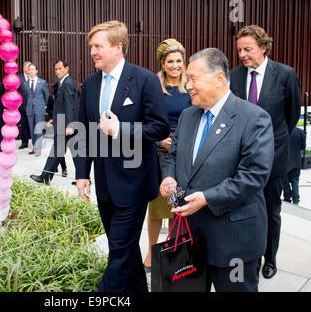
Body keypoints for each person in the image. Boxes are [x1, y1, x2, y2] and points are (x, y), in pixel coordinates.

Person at [160, 48, 274, 292]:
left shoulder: (254, 118)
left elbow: (253, 176)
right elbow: (173, 156)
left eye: (193, 78)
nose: (187, 84)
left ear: (219, 78)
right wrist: (168, 177)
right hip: (187, 236)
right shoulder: (187, 116)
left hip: (233, 241)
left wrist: (207, 198)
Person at [75, 21, 170, 292]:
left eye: (98, 46)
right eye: (91, 47)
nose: (92, 51)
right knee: (125, 250)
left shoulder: (144, 80)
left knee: (118, 251)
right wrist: (82, 174)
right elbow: (84, 132)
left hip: (135, 183)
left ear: (118, 47)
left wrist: (121, 130)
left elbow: (160, 127)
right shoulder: (91, 84)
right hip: (105, 185)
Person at [230, 25, 301, 279]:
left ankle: (269, 259)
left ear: (263, 47)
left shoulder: (284, 74)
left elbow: (292, 115)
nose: (243, 55)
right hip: (240, 159)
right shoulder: (234, 76)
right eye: (239, 50)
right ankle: (247, 255)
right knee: (242, 209)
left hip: (274, 157)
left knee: (271, 210)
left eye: (248, 49)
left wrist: (273, 141)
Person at [143, 38, 191, 271]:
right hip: (159, 153)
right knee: (157, 208)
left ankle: (171, 252)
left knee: (176, 206)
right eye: (170, 61)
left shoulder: (191, 85)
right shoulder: (154, 86)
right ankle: (152, 252)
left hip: (185, 153)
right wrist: (157, 139)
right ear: (162, 63)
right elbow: (143, 118)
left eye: (179, 61)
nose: (175, 65)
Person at [30, 60, 77, 184]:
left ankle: (45, 177)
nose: (57, 71)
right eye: (56, 69)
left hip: (67, 125)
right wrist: (53, 119)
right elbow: (61, 105)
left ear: (67, 69)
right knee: (74, 153)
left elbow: (70, 106)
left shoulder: (67, 83)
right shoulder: (62, 83)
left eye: (60, 68)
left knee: (59, 151)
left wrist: (70, 126)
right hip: (62, 122)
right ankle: (82, 178)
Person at [26, 63, 49, 157]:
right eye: (29, 69)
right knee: (32, 130)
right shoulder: (25, 83)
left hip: (40, 109)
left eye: (33, 69)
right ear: (28, 71)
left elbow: (46, 96)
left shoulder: (42, 82)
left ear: (36, 71)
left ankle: (38, 149)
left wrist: (44, 106)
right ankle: (35, 147)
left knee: (38, 129)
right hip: (30, 109)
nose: (31, 71)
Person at [282, 126, 306, 205]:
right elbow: (303, 146)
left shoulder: (283, 131)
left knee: (285, 181)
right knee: (295, 181)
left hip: (285, 162)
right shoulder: (301, 132)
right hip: (296, 161)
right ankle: (296, 199)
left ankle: (287, 197)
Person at [18, 61, 31, 149]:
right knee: (24, 125)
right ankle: (24, 142)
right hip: (22, 106)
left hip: (32, 106)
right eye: (28, 68)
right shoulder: (18, 78)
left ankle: (35, 143)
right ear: (24, 68)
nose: (30, 70)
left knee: (33, 125)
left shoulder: (34, 77)